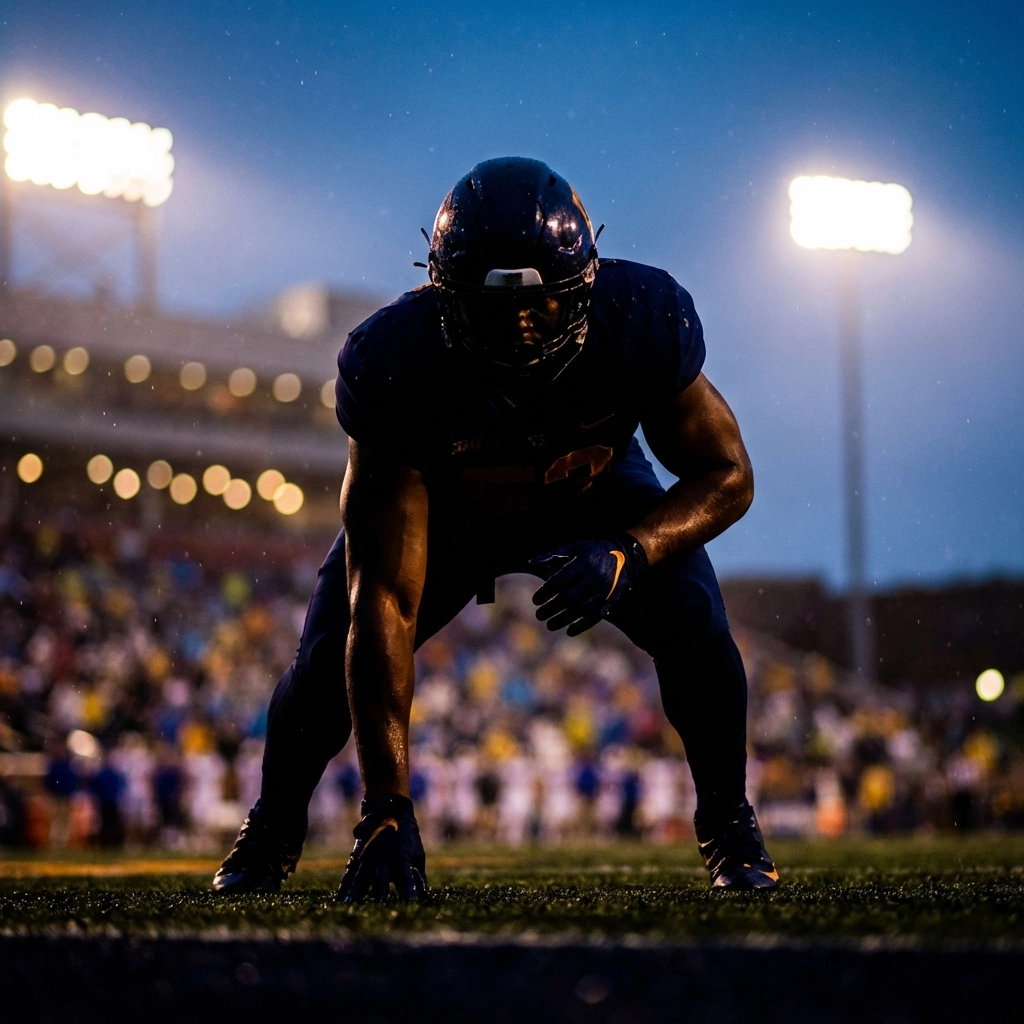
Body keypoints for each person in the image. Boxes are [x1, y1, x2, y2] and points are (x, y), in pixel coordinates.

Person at [213, 157, 777, 899]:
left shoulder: (640, 317)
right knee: (327, 658)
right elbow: (385, 597)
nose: (519, 326)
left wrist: (630, 552)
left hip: (594, 494)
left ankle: (729, 827)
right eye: (493, 306)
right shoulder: (395, 361)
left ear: (586, 282)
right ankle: (276, 828)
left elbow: (728, 475)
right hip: (451, 513)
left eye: (542, 303)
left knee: (695, 620)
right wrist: (386, 809)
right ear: (442, 294)